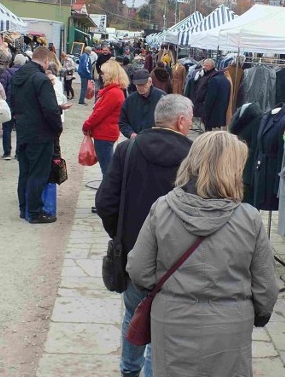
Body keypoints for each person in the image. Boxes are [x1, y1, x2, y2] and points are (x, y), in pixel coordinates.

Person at [126, 131, 279, 377]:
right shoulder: (249, 218)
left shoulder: (162, 208)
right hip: (229, 324)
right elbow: (266, 286)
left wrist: (167, 290)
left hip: (173, 319)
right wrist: (259, 313)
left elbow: (138, 269)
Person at [96, 94, 193, 377]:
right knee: (164, 325)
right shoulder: (194, 155)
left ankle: (129, 370)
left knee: (133, 313)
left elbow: (105, 203)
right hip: (177, 256)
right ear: (182, 120)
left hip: (133, 253)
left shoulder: (129, 148)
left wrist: (121, 233)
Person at [11, 47, 63, 224]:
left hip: (23, 130)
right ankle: (34, 212)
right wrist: (57, 128)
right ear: (46, 61)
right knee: (38, 173)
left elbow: (13, 102)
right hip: (40, 133)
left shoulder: (19, 75)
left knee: (24, 172)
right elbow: (49, 109)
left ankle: (24, 207)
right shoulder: (41, 79)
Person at [82, 60, 129, 176]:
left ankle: (108, 192)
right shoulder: (114, 91)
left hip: (104, 134)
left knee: (108, 170)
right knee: (108, 167)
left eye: (103, 73)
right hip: (106, 133)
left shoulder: (113, 93)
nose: (101, 76)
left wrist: (86, 125)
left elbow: (99, 113)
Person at [119, 70, 165, 139]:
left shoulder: (162, 98)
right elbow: (122, 122)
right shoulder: (130, 100)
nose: (140, 87)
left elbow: (170, 121)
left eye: (143, 84)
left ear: (150, 82)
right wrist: (130, 133)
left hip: (156, 141)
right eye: (138, 85)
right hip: (136, 141)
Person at [0, 53, 27, 160]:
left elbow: (2, 89)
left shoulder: (6, 73)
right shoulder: (26, 74)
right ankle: (18, 153)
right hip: (21, 106)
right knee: (20, 130)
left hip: (8, 105)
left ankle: (7, 153)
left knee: (7, 129)